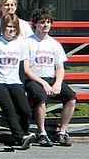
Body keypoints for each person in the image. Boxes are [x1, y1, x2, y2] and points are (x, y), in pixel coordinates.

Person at [23, 8, 76, 147]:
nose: (45, 25)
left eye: (48, 22)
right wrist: (43, 84)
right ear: (34, 24)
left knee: (71, 97)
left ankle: (62, 132)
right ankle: (42, 133)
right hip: (34, 79)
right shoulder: (28, 43)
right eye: (41, 22)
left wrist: (57, 84)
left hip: (51, 78)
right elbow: (26, 69)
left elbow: (60, 68)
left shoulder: (55, 44)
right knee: (41, 98)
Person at [0, 13, 36, 149]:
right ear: (3, 27)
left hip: (15, 81)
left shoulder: (21, 44)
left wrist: (23, 88)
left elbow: (20, 69)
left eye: (14, 27)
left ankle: (23, 134)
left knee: (25, 110)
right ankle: (20, 138)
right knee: (9, 109)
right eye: (8, 26)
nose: (11, 29)